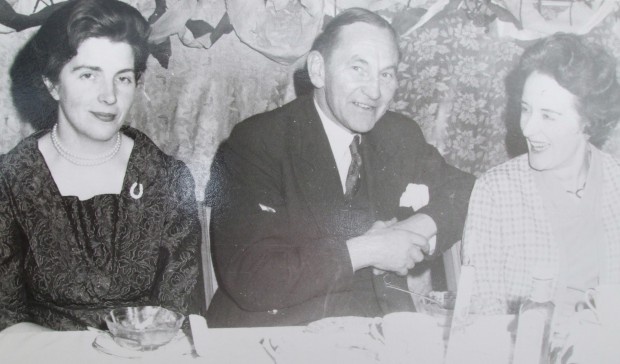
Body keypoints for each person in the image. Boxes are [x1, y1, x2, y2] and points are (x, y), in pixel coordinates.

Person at [205, 8, 474, 327]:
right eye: (359, 68)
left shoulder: (398, 134)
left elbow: (467, 191)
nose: (374, 91)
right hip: (277, 335)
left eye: (386, 74)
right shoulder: (258, 142)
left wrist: (416, 228)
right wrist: (370, 250)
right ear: (318, 70)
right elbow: (253, 277)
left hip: (377, 334)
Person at [0, 0, 203, 332]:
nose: (109, 96)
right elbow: (4, 318)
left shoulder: (164, 178)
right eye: (88, 75)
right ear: (52, 84)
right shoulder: (10, 182)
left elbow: (179, 315)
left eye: (122, 78)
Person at [463, 33, 620, 333]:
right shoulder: (496, 192)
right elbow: (483, 316)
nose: (527, 127)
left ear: (588, 122)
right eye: (525, 108)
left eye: (548, 116)